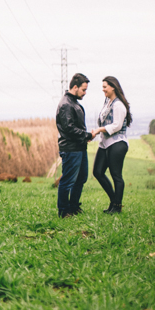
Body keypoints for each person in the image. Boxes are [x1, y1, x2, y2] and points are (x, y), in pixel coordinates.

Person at [90, 76, 132, 214]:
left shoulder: (119, 105)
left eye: (105, 87)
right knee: (97, 171)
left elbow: (117, 125)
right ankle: (114, 201)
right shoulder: (108, 102)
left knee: (116, 176)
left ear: (112, 87)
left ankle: (116, 207)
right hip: (105, 143)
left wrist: (99, 130)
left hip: (117, 143)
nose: (103, 90)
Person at [55, 73, 94, 218]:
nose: (85, 93)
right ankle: (64, 211)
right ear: (75, 87)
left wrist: (85, 138)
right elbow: (69, 128)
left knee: (81, 178)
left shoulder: (74, 103)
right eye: (83, 90)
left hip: (79, 148)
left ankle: (74, 206)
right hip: (71, 149)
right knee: (68, 180)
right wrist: (87, 135)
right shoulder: (66, 104)